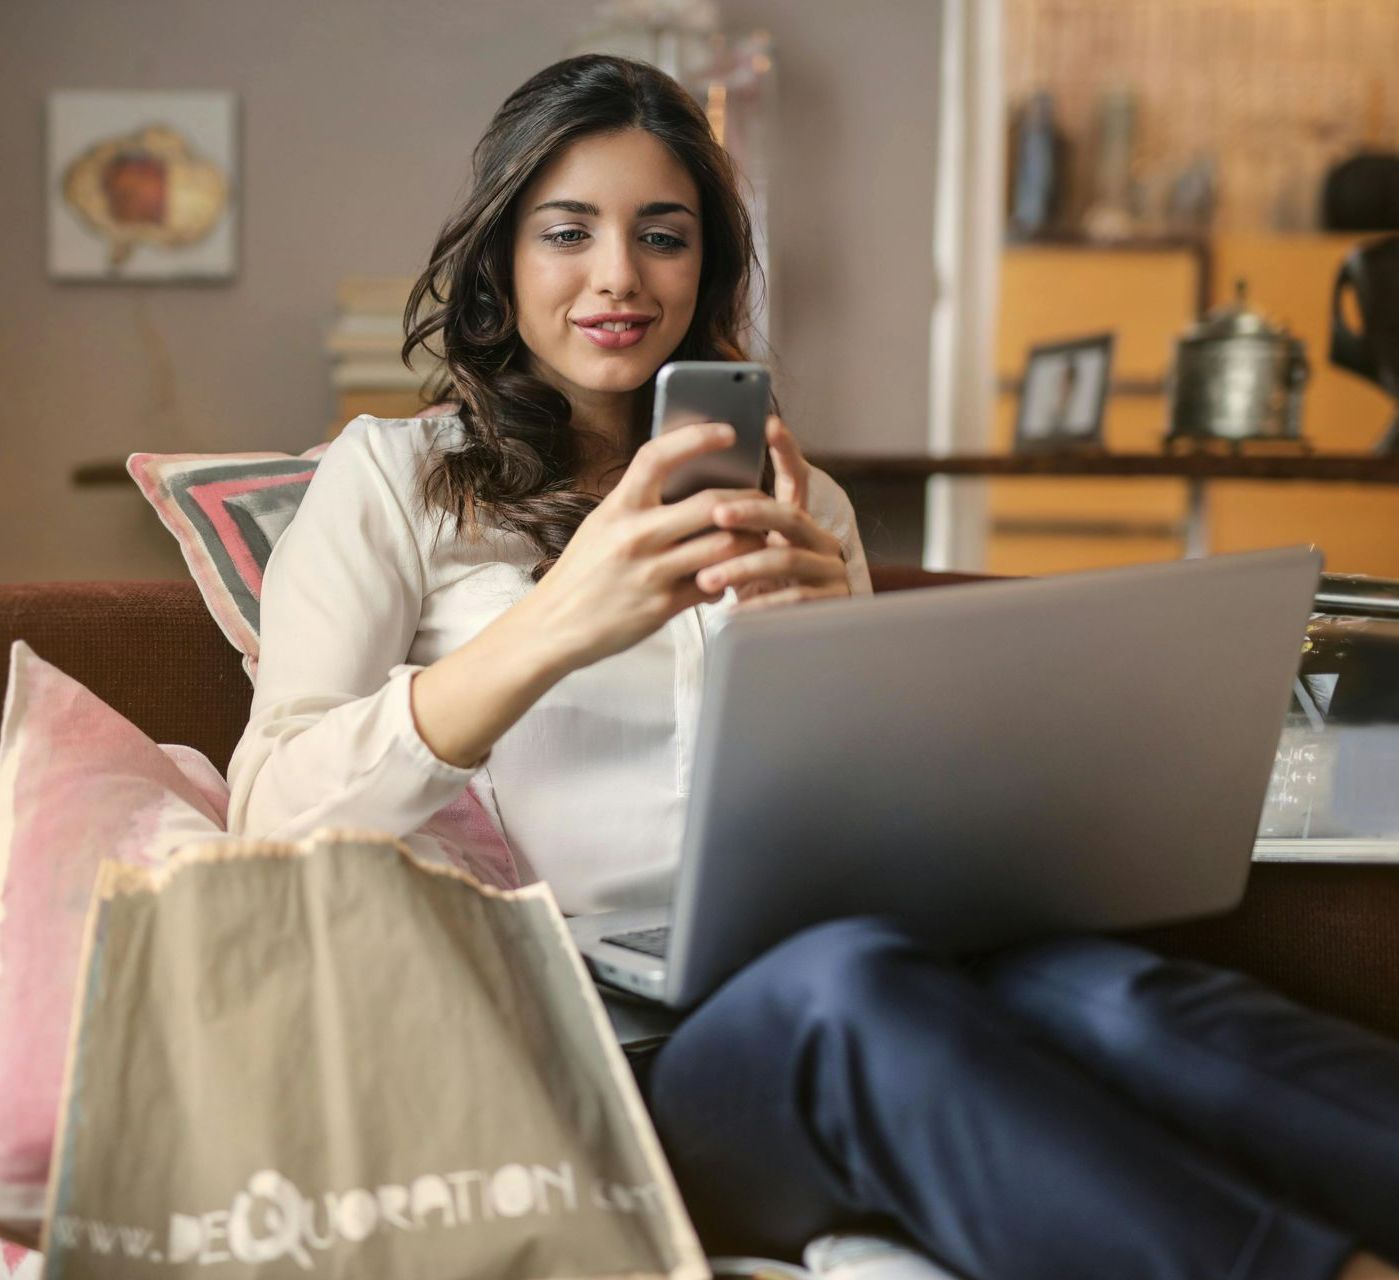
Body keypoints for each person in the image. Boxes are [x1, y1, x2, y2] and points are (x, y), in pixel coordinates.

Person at [226, 53, 1399, 1280]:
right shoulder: (393, 482)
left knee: (1117, 995)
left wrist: (841, 638)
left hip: (872, 953)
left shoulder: (797, 496)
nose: (618, 275)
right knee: (850, 988)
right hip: (617, 1059)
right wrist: (559, 618)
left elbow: (894, 818)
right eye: (566, 232)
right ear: (500, 263)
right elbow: (270, 810)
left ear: (707, 266)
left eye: (662, 237)